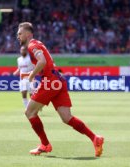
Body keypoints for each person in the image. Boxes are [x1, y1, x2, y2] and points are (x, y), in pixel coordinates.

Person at [17, 22, 104, 157]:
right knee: (66, 117)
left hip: (50, 81)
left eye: (20, 33)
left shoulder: (32, 45)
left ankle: (45, 144)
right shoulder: (38, 44)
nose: (18, 36)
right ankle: (95, 138)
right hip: (58, 80)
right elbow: (47, 63)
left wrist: (31, 76)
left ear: (28, 34)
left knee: (29, 112)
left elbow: (42, 62)